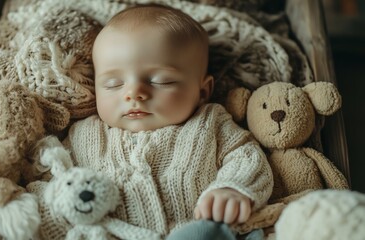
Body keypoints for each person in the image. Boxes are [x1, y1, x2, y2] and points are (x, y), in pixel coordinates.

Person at [62, 4, 273, 239]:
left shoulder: (209, 122)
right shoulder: (85, 135)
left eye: (161, 81)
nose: (133, 94)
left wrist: (232, 188)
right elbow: (55, 183)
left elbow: (245, 155)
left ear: (202, 91)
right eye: (113, 83)